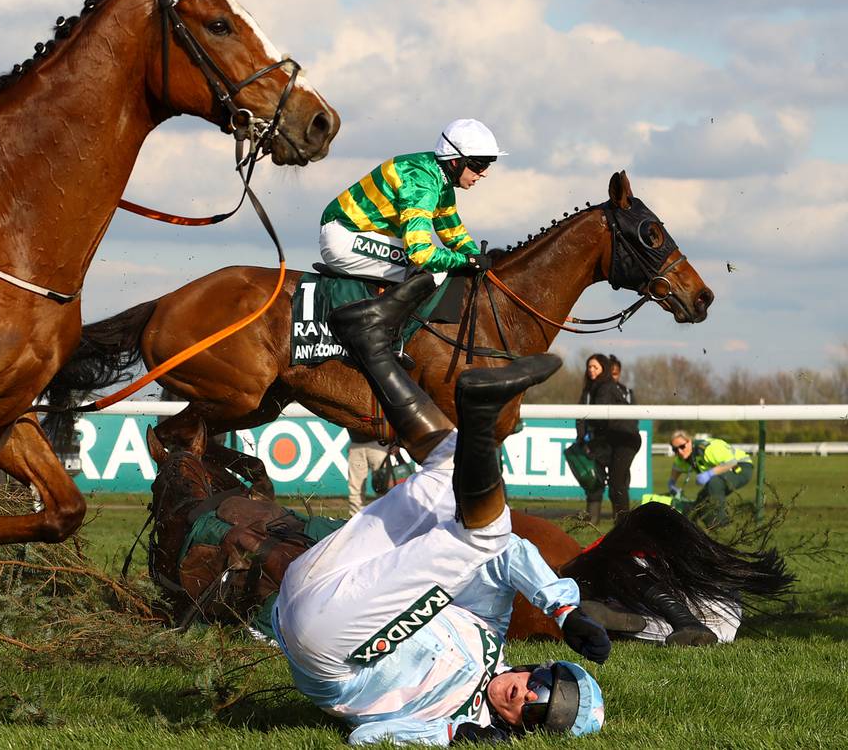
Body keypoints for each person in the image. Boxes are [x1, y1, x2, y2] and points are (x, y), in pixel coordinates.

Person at [274, 273, 608, 745]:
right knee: (453, 472)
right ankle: (369, 341)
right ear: (539, 667)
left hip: (329, 650)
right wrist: (564, 610)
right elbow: (508, 554)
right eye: (543, 684)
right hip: (312, 580)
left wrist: (454, 734)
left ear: (523, 730)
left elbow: (366, 739)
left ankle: (480, 420)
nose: (527, 695)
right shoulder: (489, 627)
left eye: (537, 714)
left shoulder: (456, 720)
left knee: (485, 531)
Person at [318, 119, 502, 285]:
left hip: (358, 236)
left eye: (489, 164)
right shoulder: (420, 182)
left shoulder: (439, 178)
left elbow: (453, 233)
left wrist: (477, 257)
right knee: (434, 272)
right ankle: (379, 323)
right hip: (346, 238)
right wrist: (468, 261)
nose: (484, 173)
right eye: (480, 164)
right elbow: (420, 252)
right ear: (455, 162)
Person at [575, 354, 641, 523]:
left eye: (595, 367)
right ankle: (607, 522)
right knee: (612, 483)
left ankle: (624, 524)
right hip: (613, 439)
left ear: (603, 369)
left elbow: (598, 417)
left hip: (625, 440)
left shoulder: (606, 387)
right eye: (589, 367)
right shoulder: (592, 389)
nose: (591, 370)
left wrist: (588, 435)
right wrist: (583, 438)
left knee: (617, 485)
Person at [667, 430, 753, 528]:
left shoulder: (706, 449)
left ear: (689, 441)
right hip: (723, 473)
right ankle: (706, 527)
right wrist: (671, 483)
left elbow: (731, 463)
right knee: (701, 501)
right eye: (675, 449)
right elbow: (676, 467)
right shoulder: (682, 456)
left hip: (740, 468)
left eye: (682, 447)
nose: (680, 451)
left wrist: (709, 474)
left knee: (714, 483)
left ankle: (722, 525)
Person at [346, 432, 391, 515]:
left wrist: (394, 443)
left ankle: (384, 517)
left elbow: (390, 419)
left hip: (378, 444)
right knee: (355, 488)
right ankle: (355, 520)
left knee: (383, 485)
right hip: (356, 443)